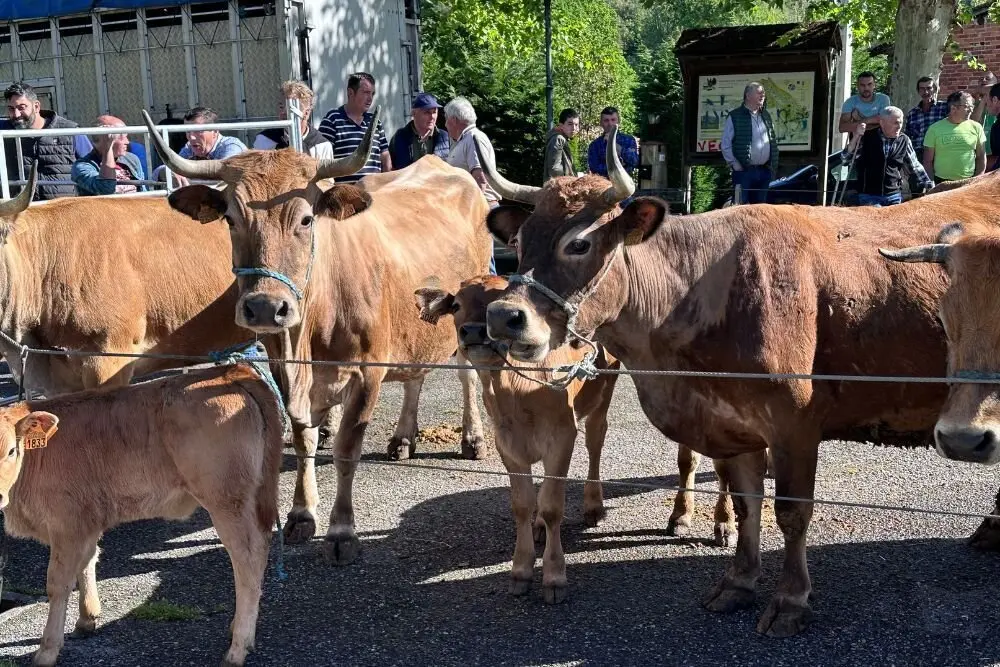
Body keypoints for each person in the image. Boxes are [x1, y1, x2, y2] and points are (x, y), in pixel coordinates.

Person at [1, 81, 91, 199]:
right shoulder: (4, 130)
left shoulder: (69, 131)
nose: (16, 114)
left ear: (36, 106)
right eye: (11, 109)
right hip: (22, 211)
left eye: (21, 107)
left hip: (61, 210)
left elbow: (91, 168)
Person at [444, 96, 499, 274]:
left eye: (446, 120)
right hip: (471, 211)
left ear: (454, 120)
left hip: (478, 211)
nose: (445, 125)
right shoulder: (466, 139)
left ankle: (490, 296)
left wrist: (469, 214)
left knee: (484, 263)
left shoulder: (474, 139)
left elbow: (480, 180)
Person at [842, 107, 932, 207]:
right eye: (895, 123)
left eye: (901, 123)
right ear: (882, 122)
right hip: (869, 196)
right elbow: (845, 159)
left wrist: (929, 186)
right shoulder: (866, 137)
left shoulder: (904, 140)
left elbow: (915, 167)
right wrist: (856, 137)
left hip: (894, 196)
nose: (899, 127)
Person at [319, 72, 391, 183]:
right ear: (350, 93)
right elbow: (322, 162)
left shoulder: (376, 122)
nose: (370, 98)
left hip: (375, 194)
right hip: (345, 197)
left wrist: (387, 186)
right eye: (366, 92)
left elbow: (385, 157)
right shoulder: (332, 120)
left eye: (372, 94)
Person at [154, 106, 247, 186]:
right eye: (188, 131)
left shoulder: (231, 147)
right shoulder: (189, 148)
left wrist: (185, 174)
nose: (191, 137)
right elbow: (158, 172)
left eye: (198, 131)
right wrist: (170, 172)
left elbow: (224, 175)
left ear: (215, 131)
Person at [720, 82, 778, 205]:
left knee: (760, 211)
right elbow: (725, 144)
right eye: (759, 92)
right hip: (744, 171)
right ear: (748, 96)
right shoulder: (735, 116)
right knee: (740, 209)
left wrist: (771, 167)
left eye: (764, 93)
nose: (763, 95)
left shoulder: (766, 115)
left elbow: (772, 142)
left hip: (764, 171)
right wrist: (735, 164)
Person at [253, 80, 333, 159]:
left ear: (306, 113)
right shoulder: (265, 140)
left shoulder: (321, 145)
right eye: (281, 107)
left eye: (290, 109)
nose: (283, 112)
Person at [71, 114, 146, 196]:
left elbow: (143, 191)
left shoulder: (131, 159)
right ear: (105, 138)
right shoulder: (82, 166)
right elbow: (106, 189)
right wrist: (108, 147)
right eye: (122, 137)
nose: (127, 142)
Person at [922, 90, 986, 184]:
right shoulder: (934, 129)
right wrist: (931, 183)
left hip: (968, 182)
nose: (971, 109)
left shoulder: (976, 127)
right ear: (953, 108)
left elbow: (981, 157)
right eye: (967, 106)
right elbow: (927, 161)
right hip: (941, 183)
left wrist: (977, 180)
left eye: (972, 106)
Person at [389, 92, 450, 170]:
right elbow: (391, 168)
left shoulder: (445, 137)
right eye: (427, 112)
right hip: (408, 181)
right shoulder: (400, 137)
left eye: (434, 112)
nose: (432, 117)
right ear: (414, 113)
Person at [586, 106, 639, 178]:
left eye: (613, 120)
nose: (610, 124)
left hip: (625, 185)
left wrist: (615, 146)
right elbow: (594, 169)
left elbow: (635, 162)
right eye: (606, 120)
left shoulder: (628, 140)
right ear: (601, 123)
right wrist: (619, 165)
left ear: (618, 121)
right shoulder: (594, 145)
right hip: (604, 186)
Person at [905, 76, 950, 159]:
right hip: (918, 155)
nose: (925, 92)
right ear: (918, 91)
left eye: (929, 88)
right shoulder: (912, 114)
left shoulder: (944, 107)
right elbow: (908, 137)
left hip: (939, 152)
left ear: (935, 89)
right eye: (922, 89)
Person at [543, 108, 580, 181]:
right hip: (558, 188)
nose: (574, 128)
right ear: (561, 125)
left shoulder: (561, 138)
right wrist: (571, 180)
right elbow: (554, 170)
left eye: (576, 124)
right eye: (570, 124)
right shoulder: (558, 139)